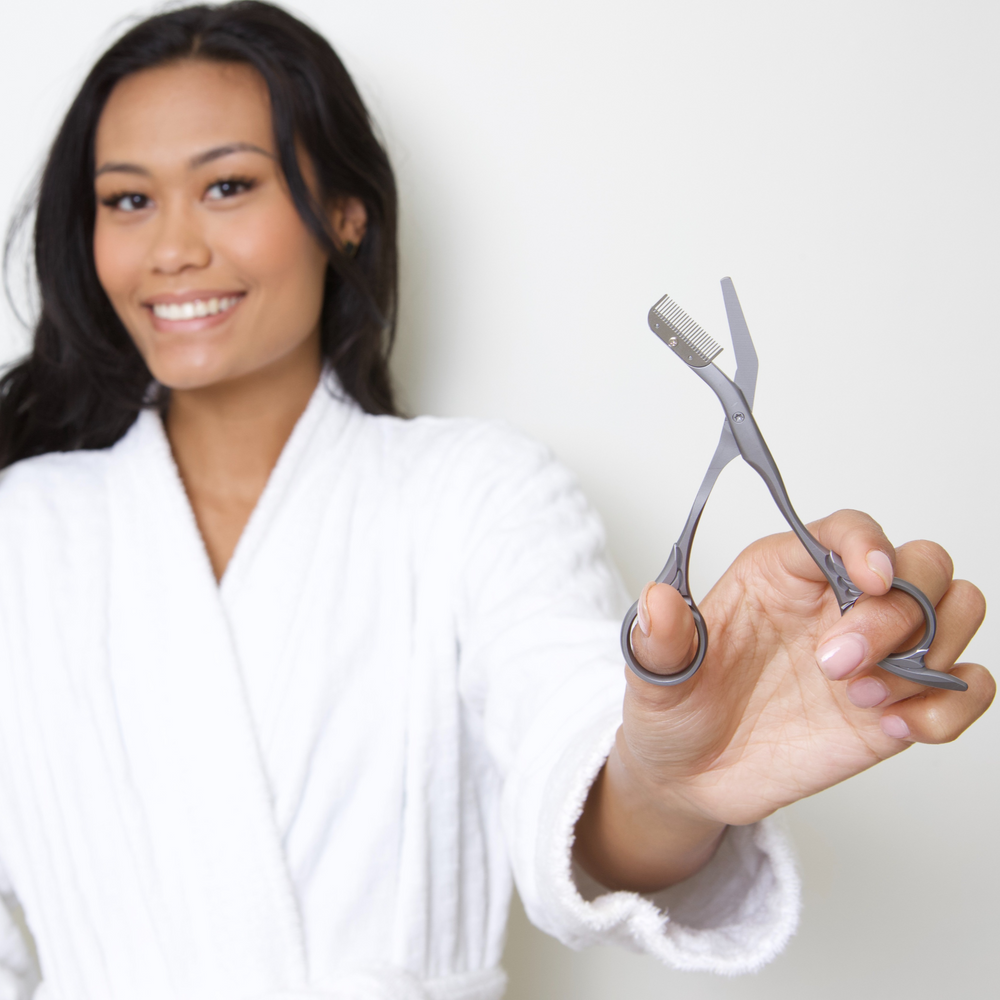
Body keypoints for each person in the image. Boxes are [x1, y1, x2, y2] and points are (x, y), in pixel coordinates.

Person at [0, 3, 992, 998]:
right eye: (126, 201)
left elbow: (573, 766)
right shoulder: (23, 532)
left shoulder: (477, 494)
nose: (170, 248)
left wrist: (669, 783)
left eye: (227, 185)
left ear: (344, 212)